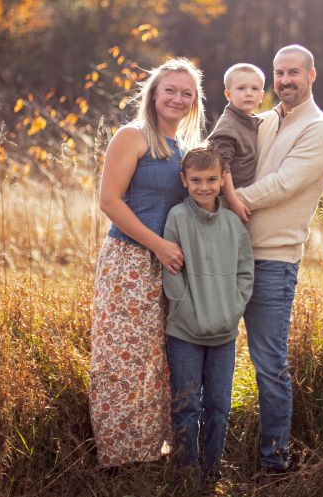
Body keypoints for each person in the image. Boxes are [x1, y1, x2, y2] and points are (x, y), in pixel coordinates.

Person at [90, 57, 205, 468]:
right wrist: (157, 245)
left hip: (169, 264)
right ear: (154, 94)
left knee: (159, 360)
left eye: (186, 93)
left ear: (194, 103)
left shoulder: (186, 149)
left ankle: (151, 450)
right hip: (130, 261)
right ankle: (118, 460)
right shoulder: (133, 135)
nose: (177, 98)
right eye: (170, 90)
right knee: (123, 356)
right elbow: (109, 201)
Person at [235, 44, 323, 473]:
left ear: (312, 75)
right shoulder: (261, 121)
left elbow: (283, 184)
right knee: (210, 355)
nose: (284, 81)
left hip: (273, 262)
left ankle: (274, 463)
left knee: (269, 363)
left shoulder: (321, 129)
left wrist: (224, 200)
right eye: (278, 73)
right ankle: (203, 458)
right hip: (227, 256)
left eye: (293, 72)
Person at [162, 144, 254, 481]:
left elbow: (246, 271)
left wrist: (234, 308)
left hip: (224, 334)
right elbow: (171, 269)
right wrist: (184, 305)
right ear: (184, 180)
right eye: (197, 179)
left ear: (221, 180)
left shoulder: (232, 223)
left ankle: (211, 473)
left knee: (218, 406)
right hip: (185, 332)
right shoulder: (178, 217)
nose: (204, 186)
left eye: (212, 179)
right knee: (187, 405)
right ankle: (186, 474)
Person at [207, 62, 265, 224]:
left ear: (261, 96)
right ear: (228, 94)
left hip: (242, 196)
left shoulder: (249, 120)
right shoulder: (229, 126)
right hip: (224, 203)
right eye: (241, 88)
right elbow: (222, 167)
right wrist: (234, 202)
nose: (248, 93)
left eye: (254, 89)